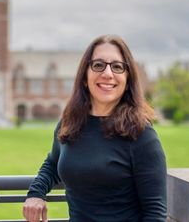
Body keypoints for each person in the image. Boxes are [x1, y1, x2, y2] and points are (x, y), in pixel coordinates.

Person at [23, 34, 167, 222]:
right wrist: (35, 193)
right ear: (85, 77)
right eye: (98, 65)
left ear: (127, 79)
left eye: (117, 67)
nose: (107, 73)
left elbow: (155, 215)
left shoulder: (141, 134)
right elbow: (52, 163)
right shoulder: (69, 123)